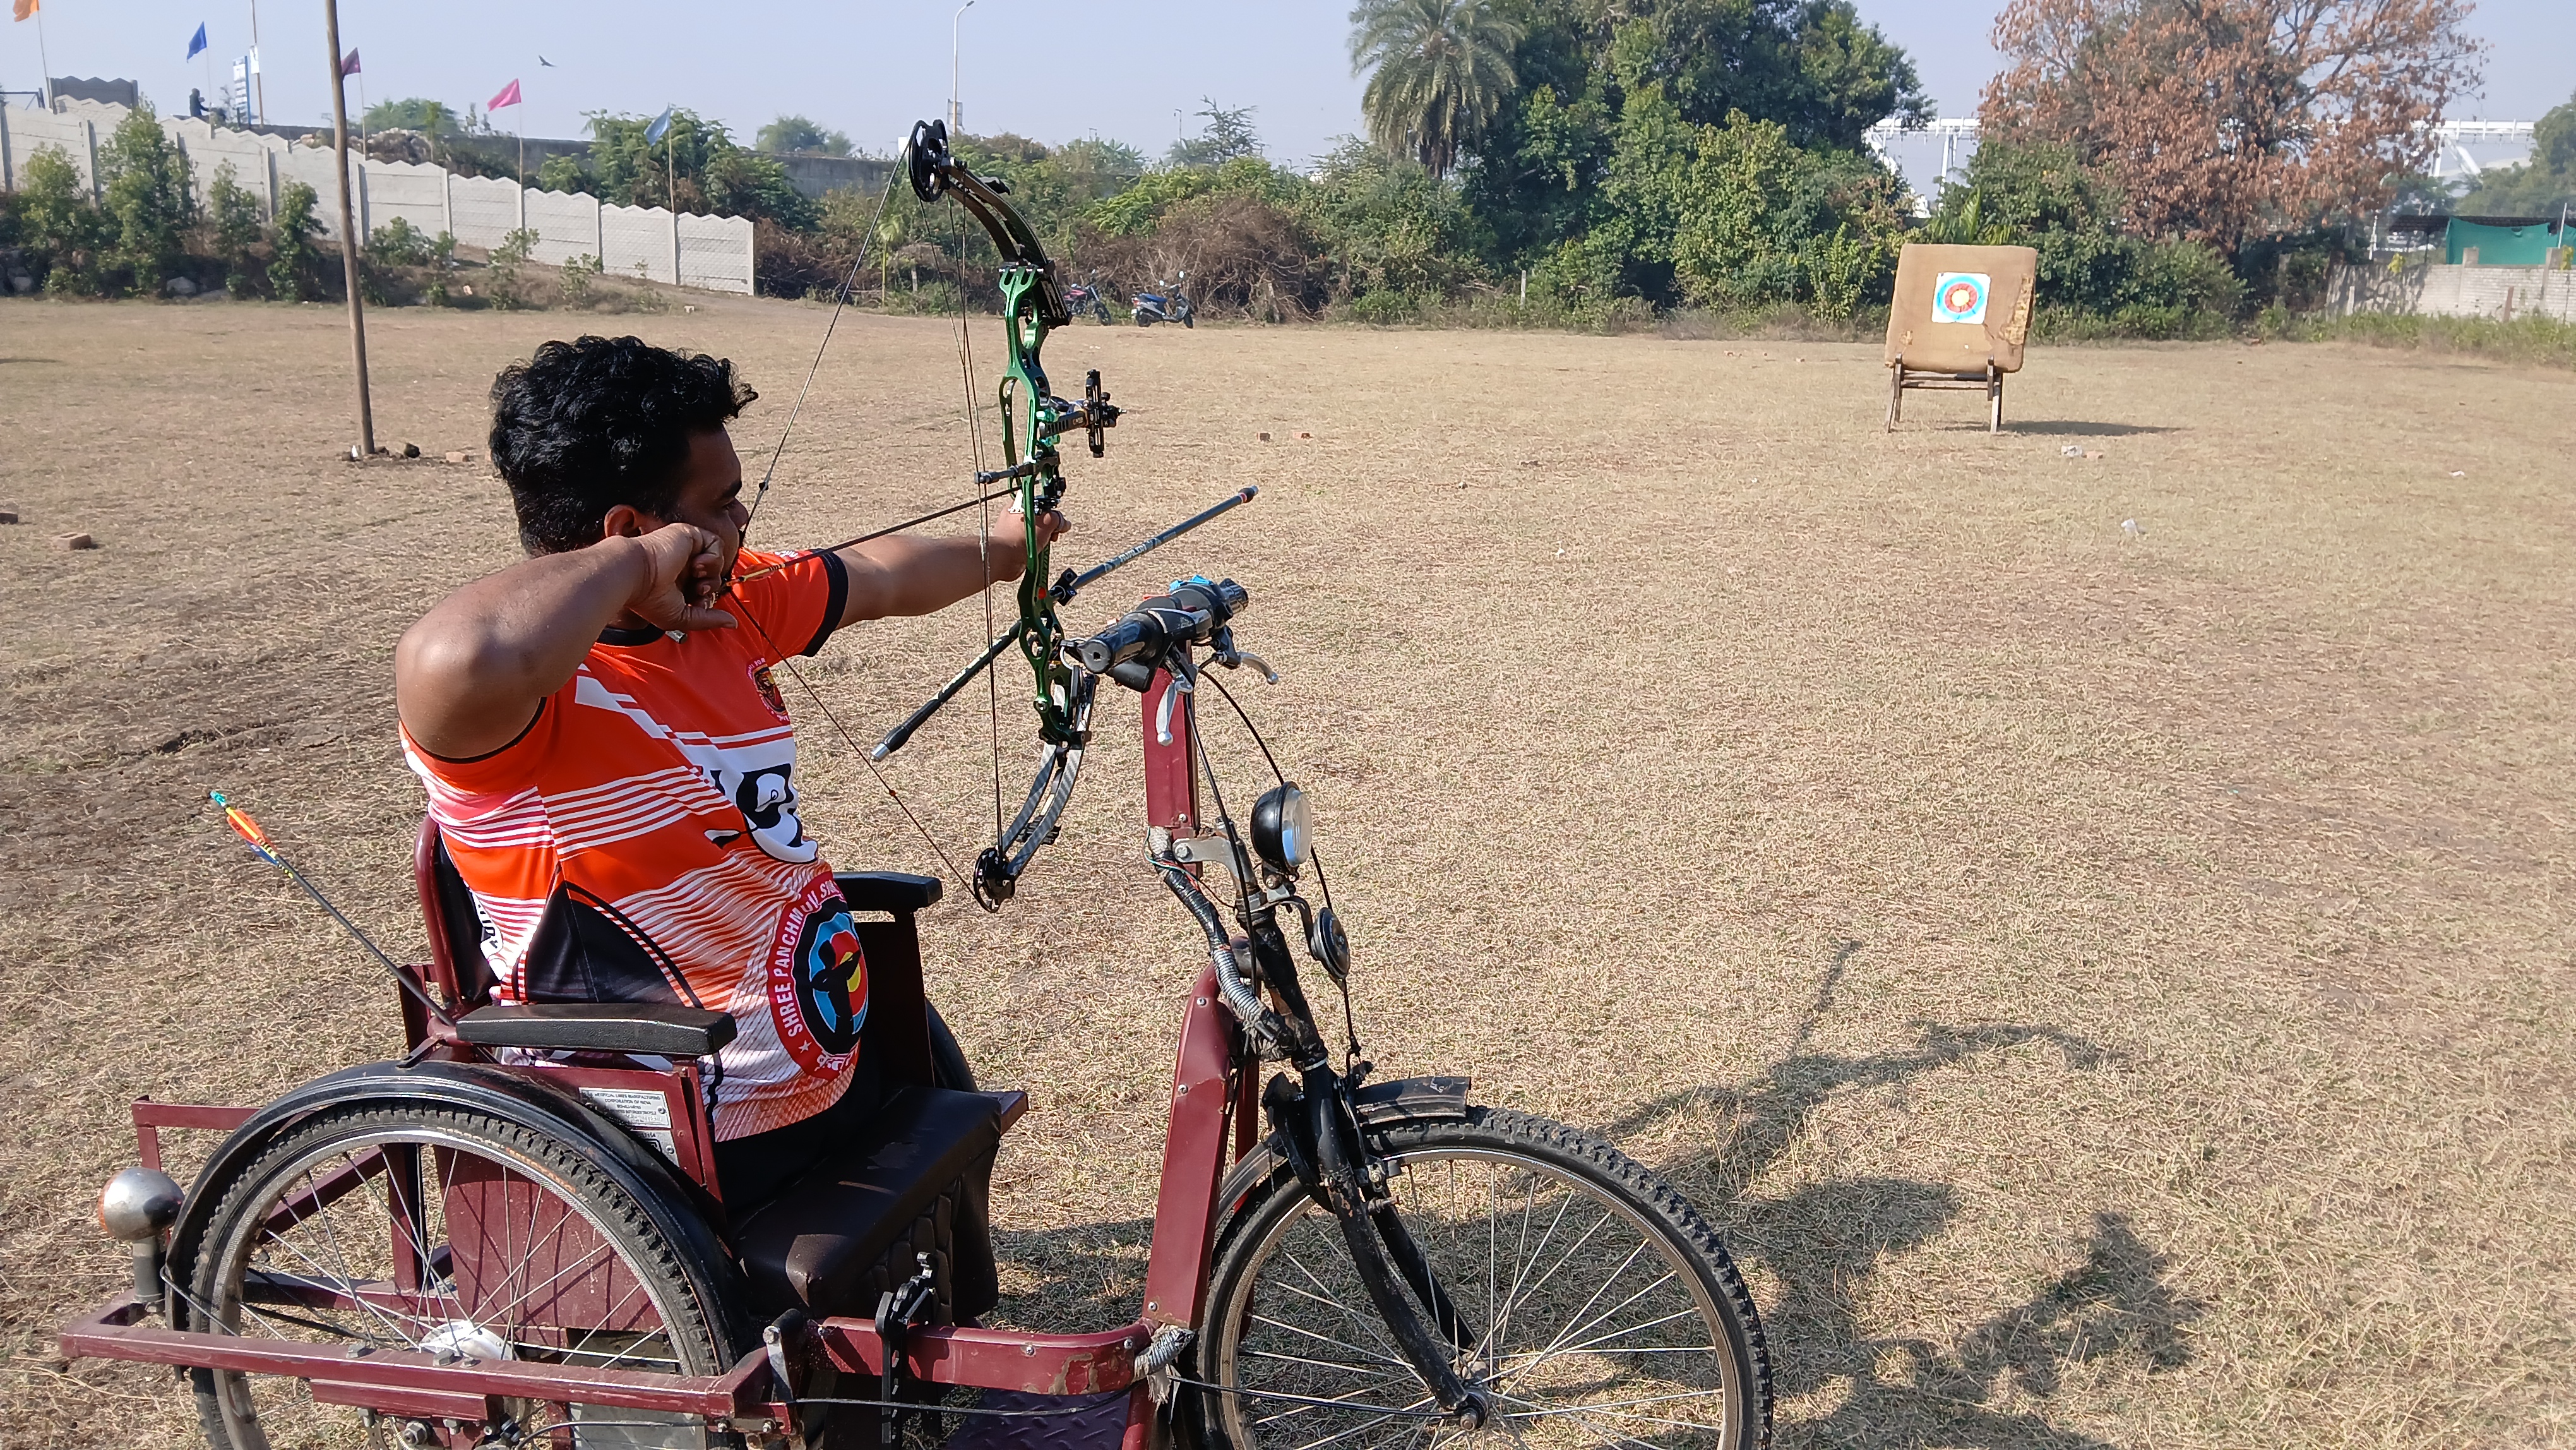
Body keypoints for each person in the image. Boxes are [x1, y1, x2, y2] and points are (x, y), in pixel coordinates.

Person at [395, 335, 1062, 1237]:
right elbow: (461, 650)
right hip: (690, 1128)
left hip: (825, 1058)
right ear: (635, 531)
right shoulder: (523, 706)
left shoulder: (725, 610)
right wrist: (644, 565)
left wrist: (1010, 549)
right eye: (720, 503)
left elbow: (875, 576)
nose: (742, 518)